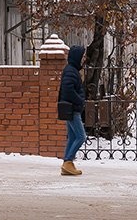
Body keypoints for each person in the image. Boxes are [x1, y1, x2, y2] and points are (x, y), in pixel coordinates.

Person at [59, 44, 87, 176]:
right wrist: (80, 100)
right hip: (72, 108)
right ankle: (68, 161)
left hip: (70, 108)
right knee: (81, 137)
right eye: (82, 56)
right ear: (77, 57)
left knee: (72, 137)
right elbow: (68, 89)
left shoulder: (71, 69)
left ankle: (67, 165)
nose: (83, 59)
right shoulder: (71, 71)